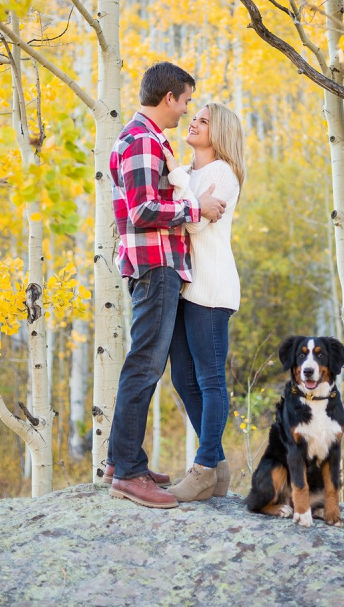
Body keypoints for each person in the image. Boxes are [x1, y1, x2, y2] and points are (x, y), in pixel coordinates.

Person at [105, 62, 226, 510]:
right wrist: (196, 210)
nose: (186, 110)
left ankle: (124, 458)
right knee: (145, 365)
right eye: (186, 100)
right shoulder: (140, 140)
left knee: (145, 363)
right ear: (169, 98)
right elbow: (142, 211)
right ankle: (128, 473)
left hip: (161, 265)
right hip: (155, 266)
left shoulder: (152, 140)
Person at [164, 102, 245, 502]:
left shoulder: (223, 174)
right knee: (182, 378)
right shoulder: (194, 175)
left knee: (210, 381)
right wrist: (185, 187)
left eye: (203, 121)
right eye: (193, 117)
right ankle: (218, 467)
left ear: (221, 133)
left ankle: (203, 469)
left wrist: (176, 178)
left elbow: (194, 222)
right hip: (186, 287)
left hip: (211, 289)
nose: (193, 122)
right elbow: (189, 210)